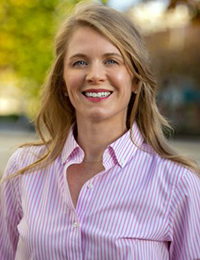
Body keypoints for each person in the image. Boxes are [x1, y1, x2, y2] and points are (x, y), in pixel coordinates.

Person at [0, 3, 200, 260]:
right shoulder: (23, 170)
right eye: (80, 62)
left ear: (136, 79)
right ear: (62, 81)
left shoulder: (179, 184)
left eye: (111, 61)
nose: (94, 75)